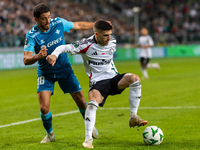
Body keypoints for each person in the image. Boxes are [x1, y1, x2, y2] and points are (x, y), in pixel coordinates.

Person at [46, 20, 148, 148]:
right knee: (93, 102)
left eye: (110, 34)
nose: (109, 38)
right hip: (98, 83)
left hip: (114, 78)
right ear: (96, 34)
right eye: (105, 35)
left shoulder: (112, 42)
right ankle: (88, 139)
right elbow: (64, 47)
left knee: (135, 78)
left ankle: (133, 116)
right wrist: (54, 55)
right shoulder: (85, 45)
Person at [23, 3, 98, 143]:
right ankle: (50, 134)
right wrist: (38, 56)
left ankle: (90, 126)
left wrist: (97, 26)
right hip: (46, 73)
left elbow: (79, 26)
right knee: (44, 108)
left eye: (49, 17)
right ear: (36, 20)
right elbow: (26, 59)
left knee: (81, 100)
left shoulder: (58, 23)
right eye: (44, 19)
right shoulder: (32, 35)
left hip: (64, 69)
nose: (47, 21)